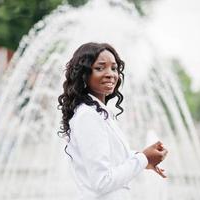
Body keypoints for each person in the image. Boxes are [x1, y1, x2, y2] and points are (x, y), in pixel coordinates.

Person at [58, 42, 168, 200]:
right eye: (100, 68)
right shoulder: (88, 116)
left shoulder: (97, 113)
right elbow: (102, 181)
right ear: (84, 74)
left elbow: (109, 158)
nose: (110, 74)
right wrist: (143, 158)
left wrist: (144, 159)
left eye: (114, 68)